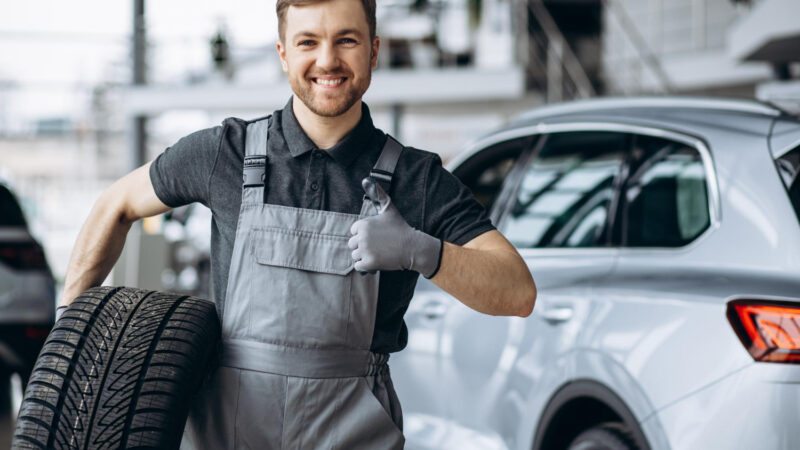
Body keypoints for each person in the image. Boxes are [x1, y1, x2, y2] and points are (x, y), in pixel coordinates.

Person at [59, 0, 537, 448]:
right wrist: (70, 336)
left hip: (355, 435)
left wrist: (423, 252)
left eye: (346, 40)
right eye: (308, 42)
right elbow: (115, 204)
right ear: (283, 53)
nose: (327, 60)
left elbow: (518, 292)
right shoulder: (224, 154)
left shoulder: (417, 178)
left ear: (373, 51)